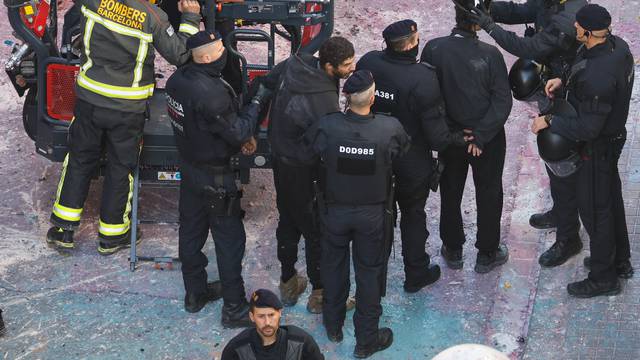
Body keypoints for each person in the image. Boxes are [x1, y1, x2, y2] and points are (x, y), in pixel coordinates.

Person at [46, 0, 202, 254]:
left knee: (79, 159)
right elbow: (182, 55)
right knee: (121, 167)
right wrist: (190, 18)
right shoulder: (153, 16)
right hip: (127, 108)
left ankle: (63, 229)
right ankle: (112, 234)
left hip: (89, 100)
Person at [469, 0, 588, 267]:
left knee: (561, 157)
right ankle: (560, 212)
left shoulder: (570, 16)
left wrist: (488, 26)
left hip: (570, 93)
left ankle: (569, 237)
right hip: (554, 83)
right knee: (552, 160)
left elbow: (528, 47)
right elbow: (523, 11)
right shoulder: (553, 2)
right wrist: (490, 8)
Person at [356, 20, 470, 293]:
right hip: (410, 160)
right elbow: (437, 136)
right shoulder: (422, 78)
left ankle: (371, 275)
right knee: (413, 215)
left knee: (373, 216)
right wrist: (461, 138)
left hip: (372, 156)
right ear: (411, 44)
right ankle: (415, 271)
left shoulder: (369, 61)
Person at [165, 30, 270, 324]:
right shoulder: (210, 93)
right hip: (215, 177)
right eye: (221, 48)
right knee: (229, 240)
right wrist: (258, 102)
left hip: (190, 168)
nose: (226, 51)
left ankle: (195, 293)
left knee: (190, 234)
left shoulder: (177, 81)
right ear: (209, 57)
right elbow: (237, 131)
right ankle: (234, 308)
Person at [530, 4, 635, 297]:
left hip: (597, 148)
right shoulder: (618, 48)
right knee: (610, 201)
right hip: (611, 141)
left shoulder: (597, 77)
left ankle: (603, 277)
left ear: (588, 32)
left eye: (578, 27)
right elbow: (587, 71)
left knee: (595, 212)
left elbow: (588, 128)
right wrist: (564, 80)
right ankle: (619, 261)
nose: (574, 29)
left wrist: (549, 120)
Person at [305, 70, 411, 358]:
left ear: (346, 97)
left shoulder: (328, 127)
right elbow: (402, 152)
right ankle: (366, 340)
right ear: (373, 98)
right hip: (372, 215)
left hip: (334, 212)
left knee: (333, 269)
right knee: (369, 274)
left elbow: (308, 151)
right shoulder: (389, 129)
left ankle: (333, 325)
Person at [260, 37, 356, 313]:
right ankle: (320, 294)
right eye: (347, 64)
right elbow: (328, 145)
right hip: (305, 170)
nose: (351, 68)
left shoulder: (295, 64)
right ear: (329, 66)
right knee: (316, 231)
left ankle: (288, 282)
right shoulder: (325, 103)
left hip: (282, 160)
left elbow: (264, 86)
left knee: (288, 221)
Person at [422, 0, 512, 273]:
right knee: (489, 191)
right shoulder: (490, 54)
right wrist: (481, 135)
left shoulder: (434, 49)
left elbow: (428, 97)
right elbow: (502, 101)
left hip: (451, 138)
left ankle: (453, 248)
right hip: (487, 139)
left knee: (450, 191)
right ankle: (487, 252)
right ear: (478, 22)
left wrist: (451, 133)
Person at [221, 289, 324, 360]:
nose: (267, 322)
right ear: (252, 317)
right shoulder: (237, 348)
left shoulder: (301, 342)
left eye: (271, 315)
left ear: (279, 313)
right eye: (261, 316)